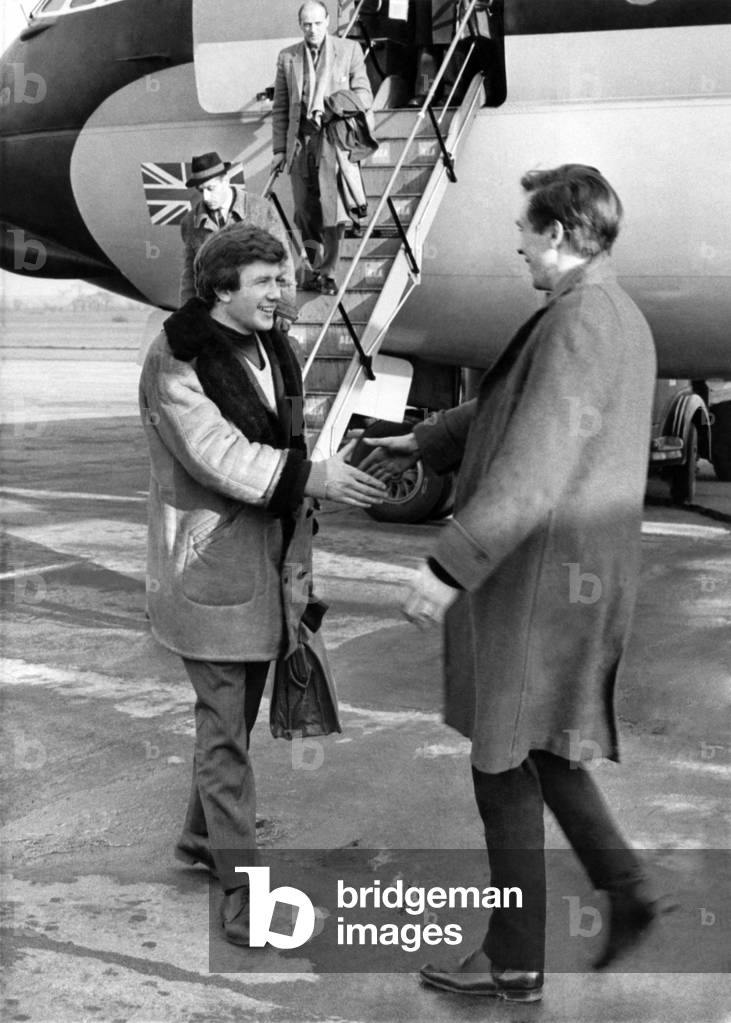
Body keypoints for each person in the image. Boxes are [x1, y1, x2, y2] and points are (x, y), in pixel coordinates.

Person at [361, 165, 659, 1002]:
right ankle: (624, 892)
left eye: (526, 230)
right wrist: (428, 440)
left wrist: (446, 566)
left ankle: (515, 958)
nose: (517, 243)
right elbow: (515, 410)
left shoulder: (578, 321)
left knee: (500, 761)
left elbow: (533, 467)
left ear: (558, 234)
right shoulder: (606, 312)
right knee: (539, 750)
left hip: (540, 576)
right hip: (566, 572)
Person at [139, 224, 386, 946]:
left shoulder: (269, 345)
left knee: (232, 724)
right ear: (222, 289)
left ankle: (198, 840)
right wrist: (313, 476)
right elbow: (218, 454)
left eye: (283, 279)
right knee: (225, 733)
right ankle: (244, 899)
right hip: (209, 573)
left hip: (264, 570)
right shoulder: (176, 358)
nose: (283, 293)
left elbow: (279, 440)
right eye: (266, 282)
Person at [271, 1, 373, 295]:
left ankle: (326, 272)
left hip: (333, 137)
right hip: (301, 141)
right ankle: (314, 265)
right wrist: (280, 149)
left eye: (317, 23)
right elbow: (280, 108)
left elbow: (364, 94)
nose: (312, 29)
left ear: (327, 21)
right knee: (304, 211)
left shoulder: (349, 50)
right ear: (300, 25)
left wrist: (335, 105)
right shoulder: (287, 57)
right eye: (306, 24)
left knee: (332, 210)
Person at [179, 151, 296, 326]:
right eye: (201, 191)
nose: (206, 197)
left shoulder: (261, 210)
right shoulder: (190, 223)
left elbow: (283, 263)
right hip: (216, 317)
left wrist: (285, 310)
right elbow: (190, 277)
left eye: (211, 189)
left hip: (258, 311)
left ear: (225, 180)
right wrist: (186, 316)